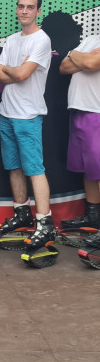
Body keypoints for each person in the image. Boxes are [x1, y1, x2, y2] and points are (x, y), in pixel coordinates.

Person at [0, 0, 53, 250]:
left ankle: (45, 224)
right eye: (21, 6)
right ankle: (22, 213)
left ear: (38, 11)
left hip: (28, 115)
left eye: (30, 7)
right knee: (14, 167)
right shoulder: (12, 39)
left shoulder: (41, 40)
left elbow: (21, 75)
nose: (24, 11)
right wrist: (13, 69)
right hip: (7, 113)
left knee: (34, 169)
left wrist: (12, 70)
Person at [59, 33, 100, 240]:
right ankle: (93, 216)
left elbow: (91, 64)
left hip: (97, 111)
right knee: (88, 169)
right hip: (79, 108)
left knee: (98, 169)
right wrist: (81, 57)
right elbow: (63, 67)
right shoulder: (91, 39)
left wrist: (74, 55)